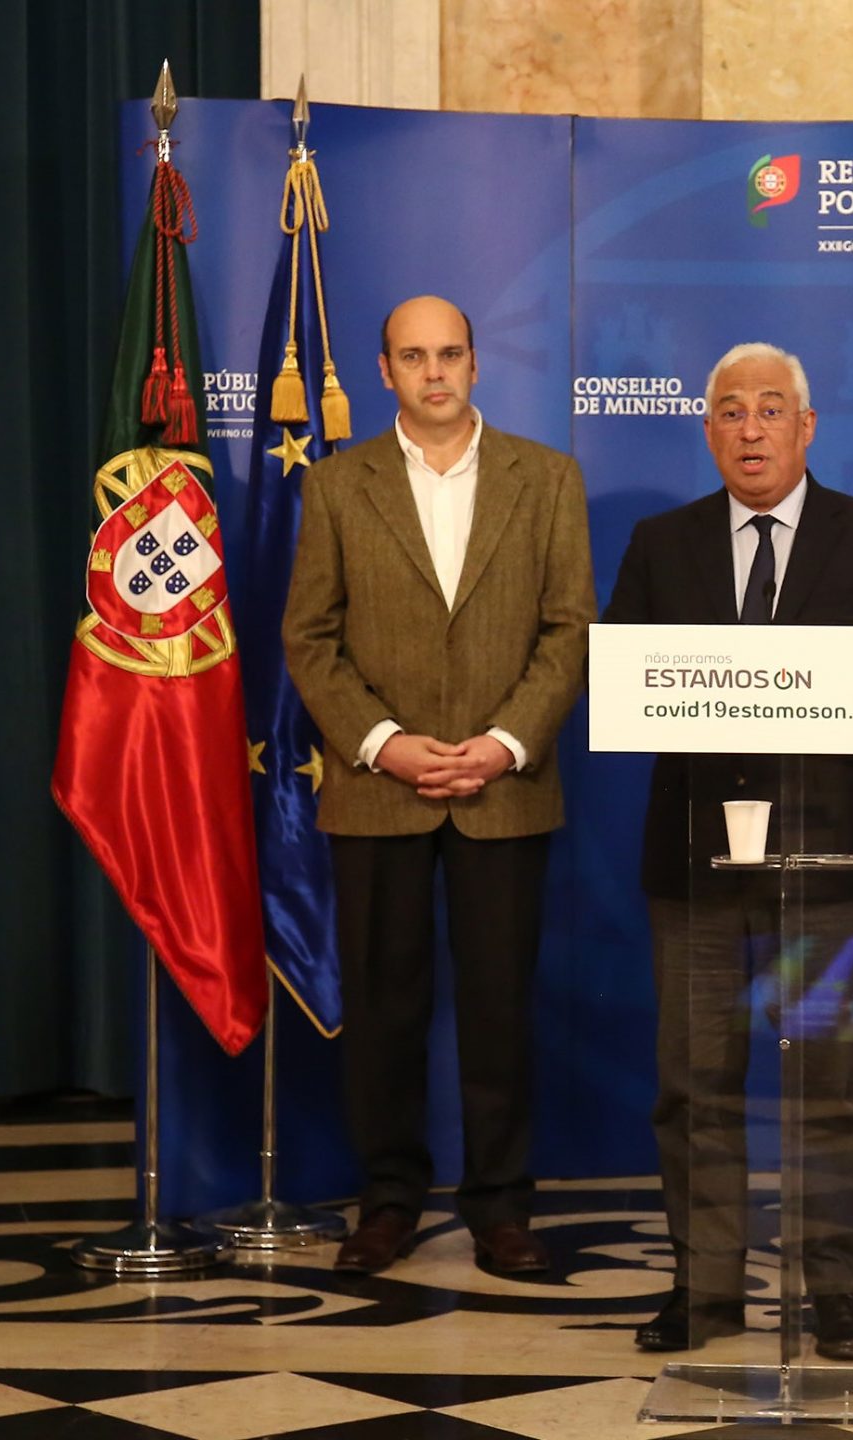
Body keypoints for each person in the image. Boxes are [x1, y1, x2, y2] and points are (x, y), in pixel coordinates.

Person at [602, 341, 853, 1361]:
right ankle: (702, 1292)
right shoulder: (661, 543)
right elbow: (622, 683)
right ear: (709, 431)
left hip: (827, 875)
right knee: (694, 1090)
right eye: (731, 411)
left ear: (807, 426)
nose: (751, 428)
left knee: (834, 1092)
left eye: (771, 409)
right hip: (695, 871)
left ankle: (835, 1293)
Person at [282, 295, 594, 1278]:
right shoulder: (338, 485)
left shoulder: (547, 478)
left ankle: (501, 1207)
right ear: (384, 371)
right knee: (383, 1012)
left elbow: (570, 629)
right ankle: (387, 1202)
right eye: (413, 357)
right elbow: (309, 638)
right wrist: (384, 744)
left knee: (500, 1010)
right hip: (380, 790)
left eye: (449, 353)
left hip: (504, 789)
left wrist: (502, 743)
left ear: (474, 362)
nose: (434, 372)